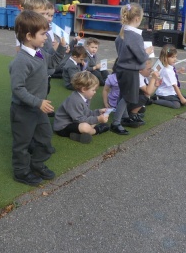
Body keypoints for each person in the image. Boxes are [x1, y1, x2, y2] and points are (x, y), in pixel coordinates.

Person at [9, 10, 67, 187]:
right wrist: (38, 102)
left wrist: (62, 48)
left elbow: (52, 63)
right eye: (43, 34)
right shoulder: (21, 61)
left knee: (45, 138)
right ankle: (21, 172)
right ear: (29, 36)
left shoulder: (39, 52)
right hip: (23, 111)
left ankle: (36, 164)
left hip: (38, 108)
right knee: (22, 143)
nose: (46, 37)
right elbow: (17, 89)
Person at [110, 3, 154, 135]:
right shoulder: (135, 36)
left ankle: (124, 117)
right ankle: (116, 123)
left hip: (121, 68)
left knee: (123, 94)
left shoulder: (122, 32)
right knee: (127, 97)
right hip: (130, 70)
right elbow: (141, 58)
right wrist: (147, 52)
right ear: (137, 18)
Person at [54, 71, 110, 144]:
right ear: (84, 89)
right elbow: (80, 120)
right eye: (93, 90)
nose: (95, 92)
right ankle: (96, 130)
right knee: (85, 127)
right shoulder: (75, 100)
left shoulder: (85, 97)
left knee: (90, 122)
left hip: (74, 122)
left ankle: (76, 135)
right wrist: (98, 119)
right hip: (63, 127)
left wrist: (98, 112)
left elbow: (86, 113)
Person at [123, 59, 162, 127]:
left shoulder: (142, 76)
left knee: (144, 101)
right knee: (145, 96)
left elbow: (149, 92)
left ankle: (134, 112)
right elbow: (148, 92)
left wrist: (155, 85)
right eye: (148, 69)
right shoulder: (137, 77)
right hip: (125, 103)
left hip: (130, 100)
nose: (151, 71)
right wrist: (153, 78)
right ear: (140, 70)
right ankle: (132, 115)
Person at [152, 44, 186, 109]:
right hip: (164, 93)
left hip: (171, 92)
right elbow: (175, 86)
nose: (175, 59)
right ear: (165, 58)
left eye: (175, 57)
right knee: (177, 105)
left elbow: (171, 74)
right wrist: (181, 98)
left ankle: (177, 98)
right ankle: (156, 99)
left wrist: (178, 71)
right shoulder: (167, 70)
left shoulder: (169, 66)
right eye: (172, 57)